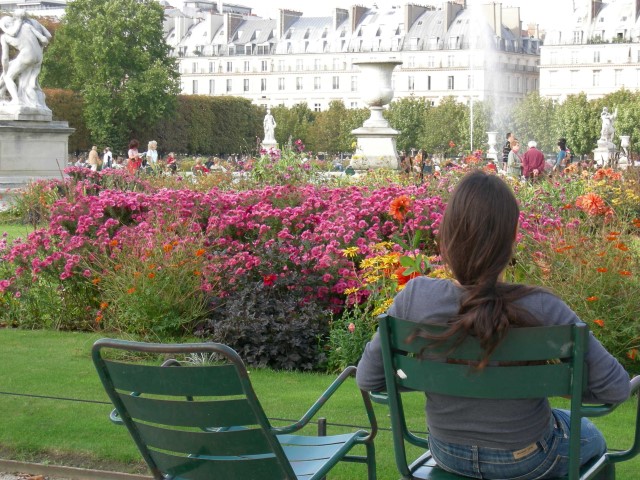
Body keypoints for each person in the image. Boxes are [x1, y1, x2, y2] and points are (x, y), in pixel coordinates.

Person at [356, 170, 630, 480]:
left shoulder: (415, 297)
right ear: (512, 237)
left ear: (446, 234)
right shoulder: (543, 306)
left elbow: (368, 378)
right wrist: (560, 386)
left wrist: (429, 377)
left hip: (446, 453)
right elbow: (615, 388)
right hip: (526, 459)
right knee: (589, 435)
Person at [0, 9, 51, 108]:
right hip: (39, 56)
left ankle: (16, 101)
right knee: (27, 82)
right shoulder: (27, 26)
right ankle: (34, 102)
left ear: (5, 26)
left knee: (8, 77)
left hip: (27, 56)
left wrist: (6, 70)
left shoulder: (5, 37)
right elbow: (45, 39)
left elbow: (5, 58)